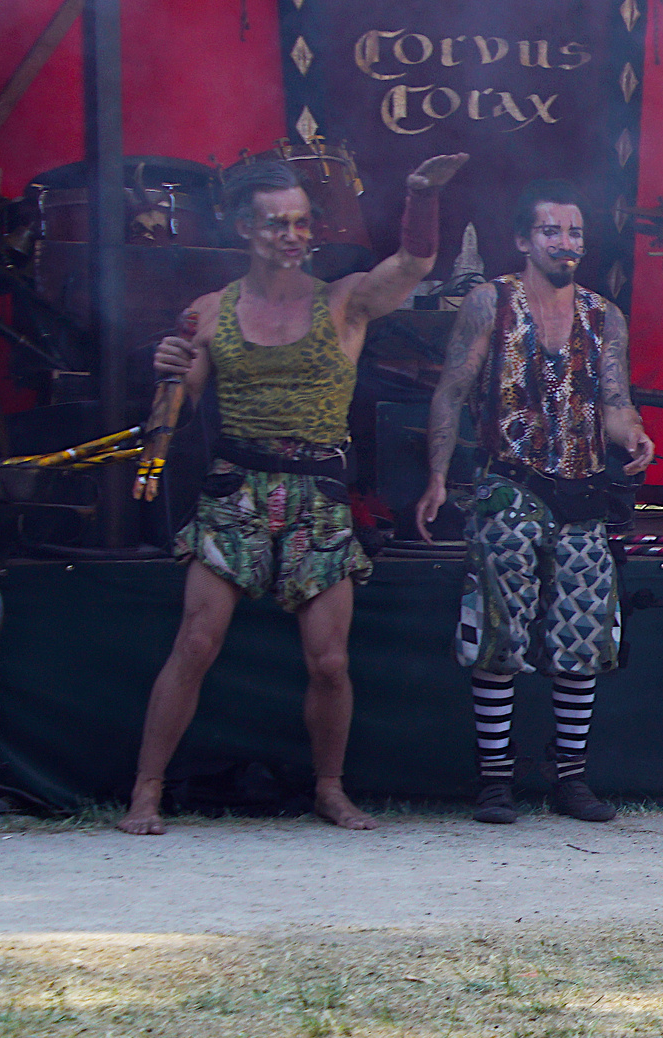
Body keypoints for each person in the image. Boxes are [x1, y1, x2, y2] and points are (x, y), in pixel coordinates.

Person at [117, 151, 469, 835]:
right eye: (277, 224)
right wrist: (165, 370)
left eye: (302, 223)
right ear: (244, 229)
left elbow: (415, 265)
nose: (293, 236)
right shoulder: (209, 312)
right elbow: (175, 412)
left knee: (331, 661)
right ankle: (146, 790)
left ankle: (329, 789)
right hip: (235, 489)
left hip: (318, 492)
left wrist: (420, 194)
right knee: (195, 642)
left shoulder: (345, 300)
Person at [415, 179, 653, 825]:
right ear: (523, 239)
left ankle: (569, 779)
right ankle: (495, 780)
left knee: (580, 641)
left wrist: (633, 434)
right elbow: (451, 392)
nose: (566, 243)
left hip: (583, 496)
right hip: (508, 489)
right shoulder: (489, 303)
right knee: (497, 637)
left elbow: (613, 401)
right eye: (552, 231)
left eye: (575, 232)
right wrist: (438, 477)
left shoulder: (605, 315)